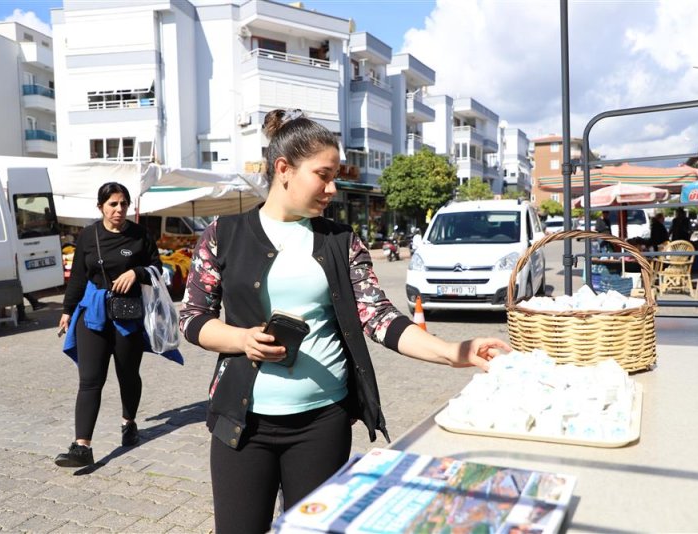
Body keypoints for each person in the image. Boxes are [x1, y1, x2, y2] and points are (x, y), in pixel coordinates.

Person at [178, 109, 509, 533]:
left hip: (322, 423)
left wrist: (452, 352)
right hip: (243, 424)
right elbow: (193, 318)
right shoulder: (222, 234)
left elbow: (378, 315)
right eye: (323, 175)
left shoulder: (340, 240)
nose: (332, 189)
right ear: (284, 169)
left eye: (335, 176)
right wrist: (242, 339)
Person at [54, 182, 164, 468]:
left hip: (128, 317)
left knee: (128, 375)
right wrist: (67, 310)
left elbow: (158, 269)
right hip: (93, 314)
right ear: (100, 206)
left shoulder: (140, 235)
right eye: (113, 204)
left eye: (123, 204)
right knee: (90, 380)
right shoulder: (89, 235)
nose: (119, 209)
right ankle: (82, 447)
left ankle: (129, 422)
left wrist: (136, 272)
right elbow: (78, 276)